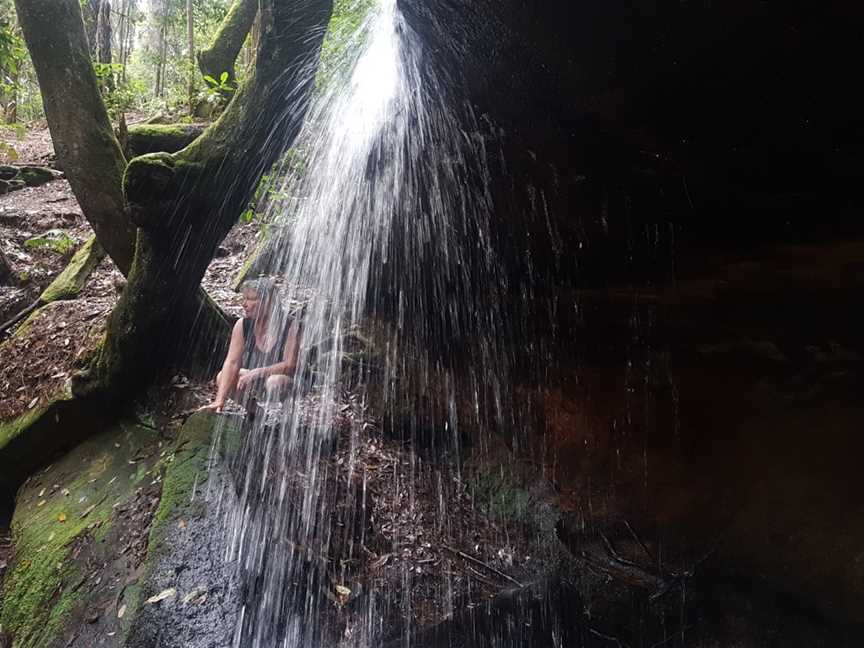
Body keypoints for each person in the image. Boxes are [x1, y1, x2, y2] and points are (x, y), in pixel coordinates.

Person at [201, 278, 301, 414]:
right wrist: (220, 400)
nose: (244, 304)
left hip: (289, 380)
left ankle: (288, 416)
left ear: (268, 303)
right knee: (222, 376)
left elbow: (290, 366)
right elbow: (232, 362)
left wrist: (259, 371)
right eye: (244, 298)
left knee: (274, 381)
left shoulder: (290, 325)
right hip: (258, 377)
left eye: (250, 299)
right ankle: (255, 413)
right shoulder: (242, 325)